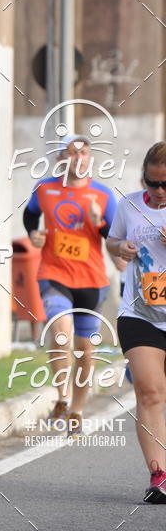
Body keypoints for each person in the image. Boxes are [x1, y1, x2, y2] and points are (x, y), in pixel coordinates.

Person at [23, 134, 118, 435]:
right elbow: (30, 215)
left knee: (86, 351)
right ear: (60, 159)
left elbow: (115, 240)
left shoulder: (103, 195)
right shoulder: (45, 189)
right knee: (61, 331)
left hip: (92, 280)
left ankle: (77, 409)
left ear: (89, 157)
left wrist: (98, 222)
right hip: (54, 273)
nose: (79, 159)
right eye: (72, 153)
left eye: (84, 153)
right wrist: (34, 234)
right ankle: (62, 398)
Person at [106, 142, 166, 503]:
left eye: (165, 185)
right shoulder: (128, 205)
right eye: (151, 183)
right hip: (139, 312)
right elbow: (112, 241)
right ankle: (160, 476)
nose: (158, 191)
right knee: (150, 391)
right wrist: (120, 249)